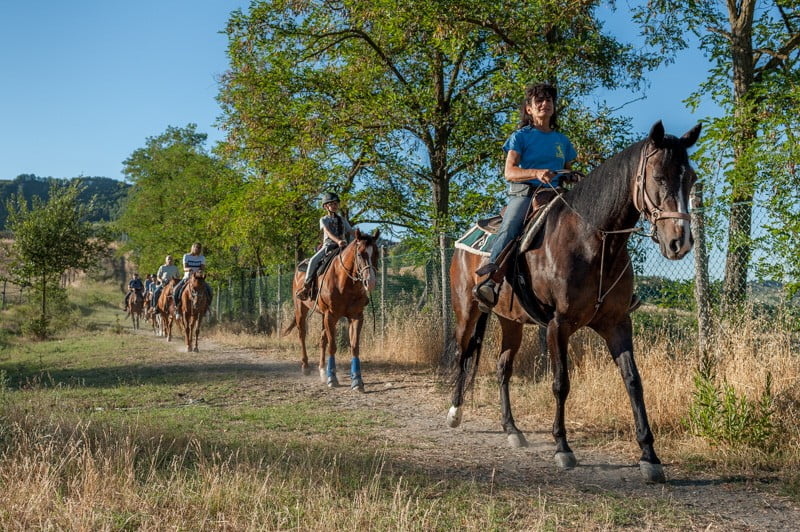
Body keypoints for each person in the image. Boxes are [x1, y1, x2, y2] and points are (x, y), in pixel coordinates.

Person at [474, 83, 577, 309]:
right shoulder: (520, 136)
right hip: (526, 195)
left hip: (558, 195)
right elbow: (509, 172)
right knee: (511, 226)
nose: (545, 104)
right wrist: (536, 173)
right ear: (529, 109)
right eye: (538, 101)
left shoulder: (563, 141)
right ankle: (490, 280)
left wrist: (571, 176)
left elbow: (567, 169)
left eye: (549, 100)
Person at [295, 192, 353, 301]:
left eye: (336, 204)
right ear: (326, 206)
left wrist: (362, 238)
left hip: (343, 247)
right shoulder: (324, 220)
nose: (335, 206)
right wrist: (338, 241)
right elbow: (328, 232)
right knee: (313, 260)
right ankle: (306, 287)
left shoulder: (343, 220)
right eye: (332, 204)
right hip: (328, 246)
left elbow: (351, 231)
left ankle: (361, 290)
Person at [173, 243, 213, 313]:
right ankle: (177, 307)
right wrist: (189, 269)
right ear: (193, 248)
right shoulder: (186, 256)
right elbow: (184, 268)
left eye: (200, 248)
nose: (199, 250)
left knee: (209, 290)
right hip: (187, 277)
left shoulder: (202, 258)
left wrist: (200, 271)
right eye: (197, 248)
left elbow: (202, 268)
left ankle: (207, 307)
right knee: (176, 290)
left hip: (198, 279)